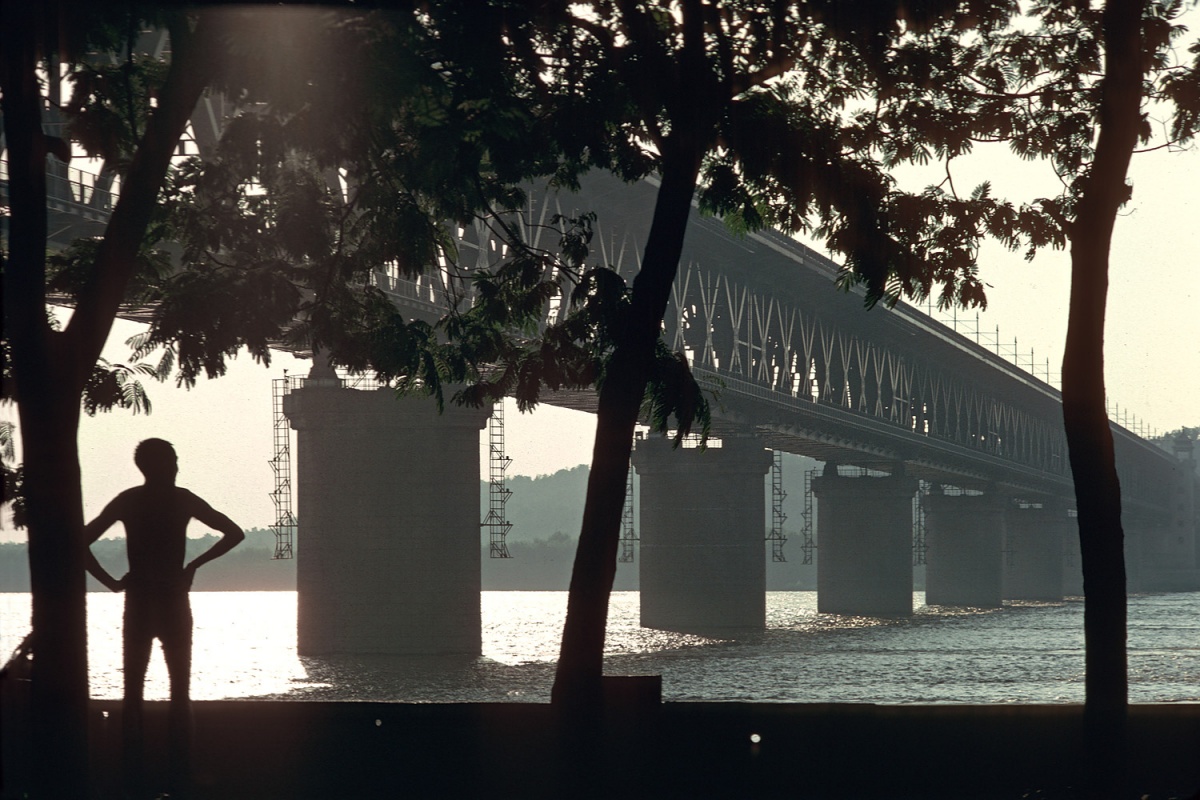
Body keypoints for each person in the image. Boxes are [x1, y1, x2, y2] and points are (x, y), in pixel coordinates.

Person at [85, 438, 245, 799]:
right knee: (178, 693)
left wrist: (112, 583)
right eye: (172, 460)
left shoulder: (129, 500)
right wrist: (191, 567)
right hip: (171, 600)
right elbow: (234, 533)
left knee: (133, 693)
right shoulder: (181, 498)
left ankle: (133, 778)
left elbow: (80, 541)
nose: (176, 465)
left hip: (140, 600)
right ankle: (179, 777)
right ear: (158, 465)